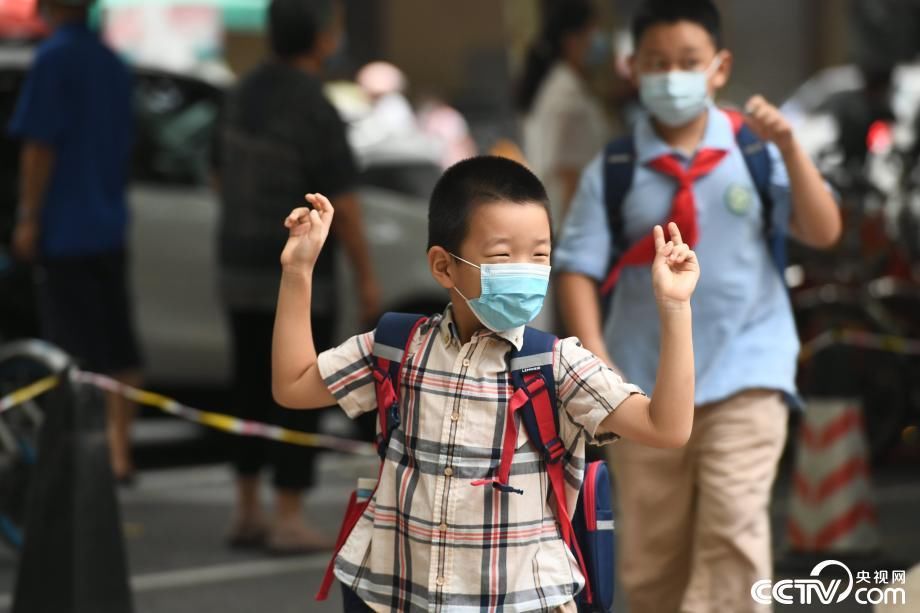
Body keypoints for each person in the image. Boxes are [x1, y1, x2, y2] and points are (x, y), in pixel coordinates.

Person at [272, 155, 702, 612]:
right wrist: (298, 272)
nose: (526, 269)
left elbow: (667, 428)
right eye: (502, 255)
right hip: (400, 598)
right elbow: (293, 385)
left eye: (540, 255)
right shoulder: (398, 347)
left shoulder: (557, 365)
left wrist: (675, 310)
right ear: (443, 267)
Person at [553, 1, 842, 611]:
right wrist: (599, 371)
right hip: (644, 386)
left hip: (748, 369)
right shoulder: (617, 167)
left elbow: (823, 231)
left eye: (688, 62)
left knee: (735, 531)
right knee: (654, 556)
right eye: (657, 63)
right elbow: (576, 268)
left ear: (719, 67)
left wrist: (790, 148)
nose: (673, 76)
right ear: (633, 69)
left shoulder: (756, 150)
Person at [215, 0, 380, 554]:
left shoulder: (240, 93)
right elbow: (346, 202)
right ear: (322, 38)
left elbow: (217, 171)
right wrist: (366, 276)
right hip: (301, 271)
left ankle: (244, 510)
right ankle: (287, 515)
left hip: (237, 263)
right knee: (301, 384)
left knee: (245, 387)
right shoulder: (315, 103)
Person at [8, 0, 140, 483]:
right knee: (118, 347)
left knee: (70, 353)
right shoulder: (113, 64)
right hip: (109, 223)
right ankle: (120, 452)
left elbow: (39, 144)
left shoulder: (52, 59)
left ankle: (81, 458)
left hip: (66, 228)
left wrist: (27, 216)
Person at [518, 0, 611, 226]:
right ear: (572, 41)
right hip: (572, 219)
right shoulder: (566, 97)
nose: (598, 41)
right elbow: (570, 176)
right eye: (593, 32)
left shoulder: (561, 85)